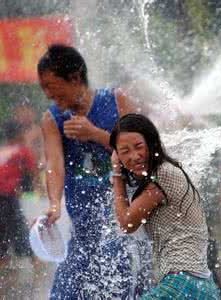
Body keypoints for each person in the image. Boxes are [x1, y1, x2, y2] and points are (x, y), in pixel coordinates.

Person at [37, 44, 152, 298]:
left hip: (124, 234)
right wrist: (54, 204)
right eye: (43, 87)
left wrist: (96, 134)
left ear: (75, 77)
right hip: (81, 237)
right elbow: (54, 164)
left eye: (51, 85)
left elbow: (142, 154)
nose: (48, 94)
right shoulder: (52, 119)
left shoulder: (117, 100)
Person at [110, 113, 220, 299]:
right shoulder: (163, 172)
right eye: (124, 151)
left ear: (152, 143)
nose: (134, 156)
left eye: (138, 147)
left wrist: (116, 174)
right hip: (199, 285)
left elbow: (127, 223)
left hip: (183, 283)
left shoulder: (163, 177)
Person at [0, 121, 38, 273]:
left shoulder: (1, 150)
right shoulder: (23, 151)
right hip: (5, 194)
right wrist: (33, 188)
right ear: (19, 135)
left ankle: (0, 264)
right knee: (17, 227)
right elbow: (32, 171)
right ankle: (36, 264)